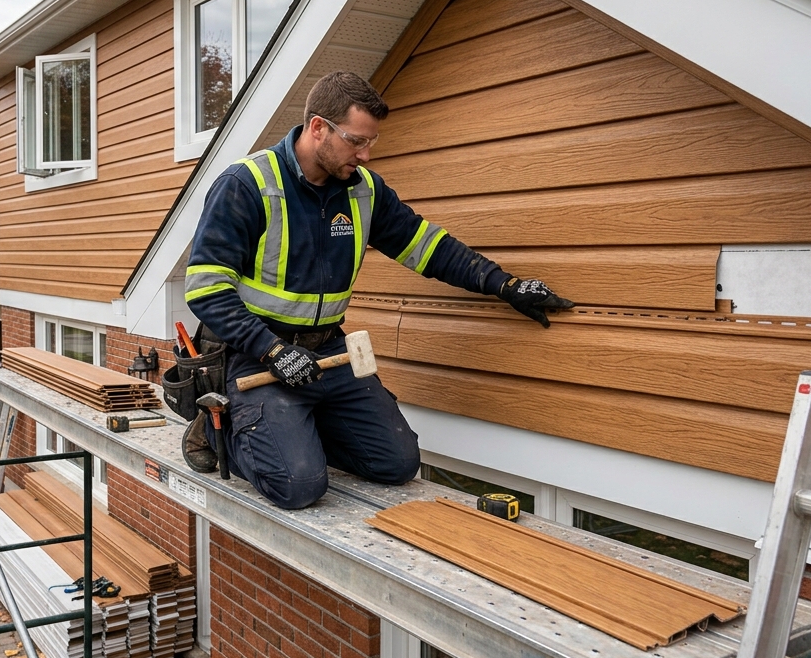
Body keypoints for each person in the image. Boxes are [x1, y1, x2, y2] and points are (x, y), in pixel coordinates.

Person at [182, 71, 573, 509]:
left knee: (396, 463)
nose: (365, 155)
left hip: (328, 352)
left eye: (371, 142)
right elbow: (205, 288)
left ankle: (293, 433)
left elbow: (427, 247)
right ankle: (222, 429)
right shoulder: (247, 184)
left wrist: (504, 284)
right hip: (259, 356)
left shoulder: (364, 190)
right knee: (298, 486)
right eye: (356, 141)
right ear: (318, 128)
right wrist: (272, 350)